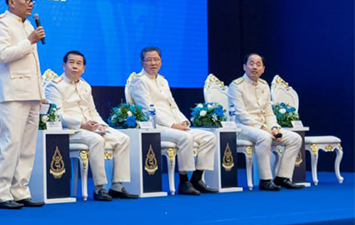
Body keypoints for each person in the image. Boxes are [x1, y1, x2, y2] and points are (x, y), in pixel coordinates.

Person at [45, 51, 137, 201]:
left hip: (90, 128)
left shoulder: (86, 86)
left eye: (79, 63)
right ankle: (100, 188)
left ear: (83, 68)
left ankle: (117, 186)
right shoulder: (54, 86)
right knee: (97, 140)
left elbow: (93, 111)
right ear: (64, 65)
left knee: (123, 139)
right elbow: (57, 115)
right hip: (70, 130)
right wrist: (82, 125)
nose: (75, 66)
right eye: (71, 62)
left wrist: (101, 125)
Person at [130, 47, 217, 195]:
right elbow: (148, 110)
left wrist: (183, 121)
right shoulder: (139, 81)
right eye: (149, 60)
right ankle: (183, 181)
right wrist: (172, 125)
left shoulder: (163, 80)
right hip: (156, 126)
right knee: (185, 137)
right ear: (142, 63)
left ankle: (197, 179)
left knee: (209, 137)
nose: (153, 63)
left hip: (174, 125)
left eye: (156, 59)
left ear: (161, 61)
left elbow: (173, 105)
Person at [0, 0, 46, 209]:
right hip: (12, 93)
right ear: (12, 2)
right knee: (11, 143)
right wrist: (29, 41)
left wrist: (40, 93)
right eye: (26, 0)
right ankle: (2, 193)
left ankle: (20, 190)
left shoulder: (28, 25)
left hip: (32, 93)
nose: (30, 4)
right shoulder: (1, 23)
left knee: (27, 146)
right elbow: (3, 55)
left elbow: (33, 63)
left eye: (32, 0)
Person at [228, 54, 304, 191]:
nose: (255, 67)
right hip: (242, 127)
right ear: (244, 66)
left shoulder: (264, 85)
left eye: (258, 64)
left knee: (295, 138)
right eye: (251, 63)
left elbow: (269, 113)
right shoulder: (236, 86)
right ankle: (265, 180)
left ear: (263, 69)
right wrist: (263, 128)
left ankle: (283, 177)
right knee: (265, 137)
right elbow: (240, 114)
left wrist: (274, 128)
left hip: (265, 128)